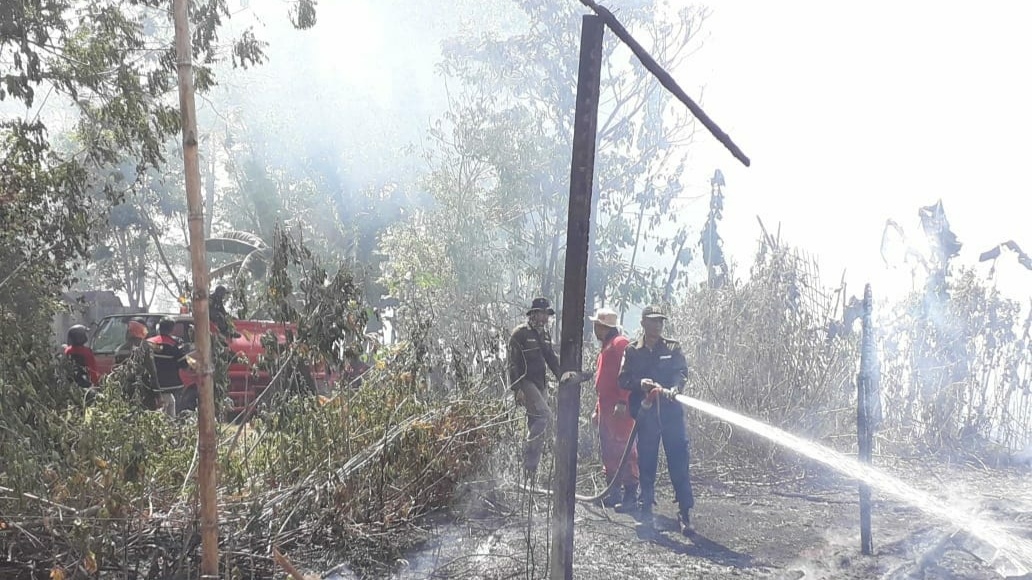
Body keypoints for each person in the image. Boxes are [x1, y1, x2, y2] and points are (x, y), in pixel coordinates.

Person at [618, 305, 694, 535]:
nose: (659, 325)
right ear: (643, 324)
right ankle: (646, 509)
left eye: (661, 321)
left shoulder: (672, 348)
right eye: (653, 321)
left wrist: (674, 387)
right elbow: (623, 380)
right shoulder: (632, 351)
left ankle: (685, 512)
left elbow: (681, 372)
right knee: (647, 462)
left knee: (679, 463)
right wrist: (640, 384)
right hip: (647, 415)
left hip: (671, 415)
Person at [589, 307, 638, 511]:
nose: (594, 329)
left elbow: (628, 374)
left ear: (603, 327)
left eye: (596, 325)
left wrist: (623, 401)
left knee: (623, 448)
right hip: (606, 406)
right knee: (608, 448)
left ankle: (630, 496)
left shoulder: (620, 344)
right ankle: (612, 492)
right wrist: (597, 409)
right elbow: (604, 382)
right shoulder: (606, 346)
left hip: (620, 407)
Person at [508, 297, 561, 481]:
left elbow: (551, 358)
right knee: (545, 416)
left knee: (536, 423)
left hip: (541, 384)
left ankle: (530, 472)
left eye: (547, 314)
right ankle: (527, 454)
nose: (546, 318)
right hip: (526, 383)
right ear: (534, 313)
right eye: (543, 314)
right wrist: (517, 389)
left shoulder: (544, 334)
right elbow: (513, 363)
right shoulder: (520, 334)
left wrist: (563, 377)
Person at [147, 317, 193, 416]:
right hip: (168, 385)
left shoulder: (148, 342)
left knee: (169, 403)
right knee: (166, 410)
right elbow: (184, 365)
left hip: (151, 385)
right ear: (172, 329)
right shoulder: (174, 344)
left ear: (159, 328)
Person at [64, 324, 99, 389]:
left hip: (70, 385)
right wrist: (96, 385)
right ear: (80, 337)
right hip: (86, 386)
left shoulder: (67, 351)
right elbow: (92, 371)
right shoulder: (87, 352)